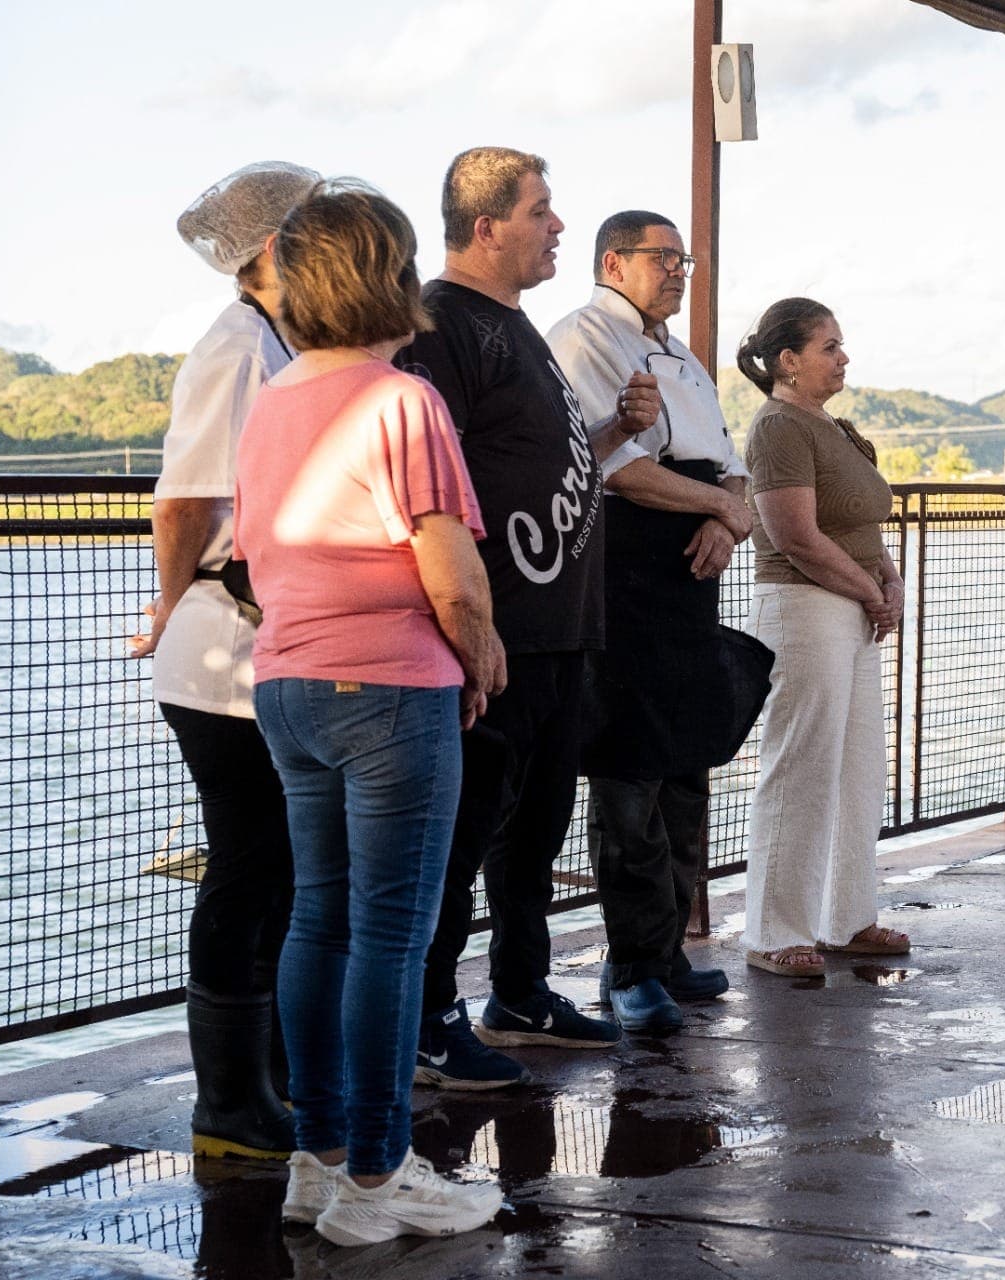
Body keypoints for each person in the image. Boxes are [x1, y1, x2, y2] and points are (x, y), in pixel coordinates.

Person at [233, 180, 505, 1246]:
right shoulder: (401, 400)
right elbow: (450, 566)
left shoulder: (272, 400)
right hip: (390, 686)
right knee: (392, 933)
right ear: (389, 276)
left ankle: (321, 1160)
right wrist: (481, 654)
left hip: (287, 683)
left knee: (320, 918)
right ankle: (382, 1176)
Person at [396, 148, 661, 1079]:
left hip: (561, 634)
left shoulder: (522, 329)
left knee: (533, 834)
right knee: (460, 836)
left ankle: (519, 991)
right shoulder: (440, 326)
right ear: (486, 227)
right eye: (541, 211)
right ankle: (428, 1018)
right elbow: (430, 479)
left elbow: (537, 463)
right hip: (498, 635)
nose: (558, 227)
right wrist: (469, 630)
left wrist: (618, 432)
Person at [132, 160, 318, 1162]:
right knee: (249, 864)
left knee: (277, 865)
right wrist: (172, 604)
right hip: (222, 649)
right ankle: (230, 1101)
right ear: (278, 247)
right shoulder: (237, 347)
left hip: (267, 642)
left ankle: (273, 1080)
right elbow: (185, 499)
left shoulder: (282, 339)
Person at [545, 210, 759, 1034]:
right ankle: (630, 966)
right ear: (612, 263)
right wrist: (720, 507)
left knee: (686, 763)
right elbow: (620, 469)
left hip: (691, 575)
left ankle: (668, 952)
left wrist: (726, 520)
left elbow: (730, 466)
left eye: (683, 258)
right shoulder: (584, 336)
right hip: (625, 571)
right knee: (629, 767)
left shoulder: (684, 356)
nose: (677, 270)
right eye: (661, 257)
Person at [736, 298, 908, 977]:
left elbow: (861, 524)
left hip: (852, 611)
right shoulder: (778, 427)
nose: (843, 358)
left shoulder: (832, 427)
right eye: (829, 347)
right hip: (805, 610)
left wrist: (889, 581)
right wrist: (869, 590)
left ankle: (847, 918)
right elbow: (795, 537)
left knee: (858, 770)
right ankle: (774, 931)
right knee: (800, 769)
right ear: (788, 360)